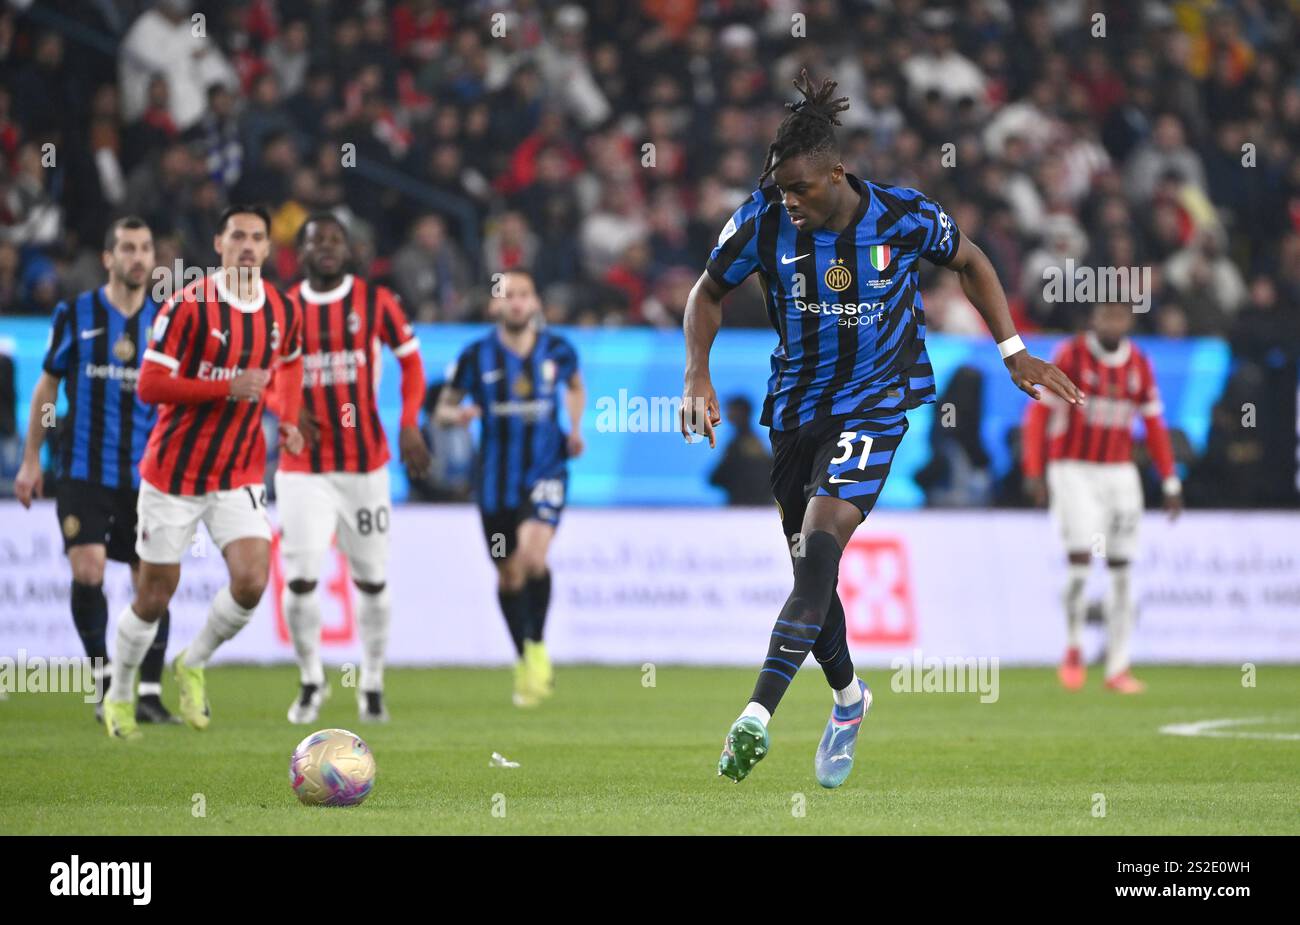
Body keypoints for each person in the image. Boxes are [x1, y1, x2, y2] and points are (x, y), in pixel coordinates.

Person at [681, 71, 1082, 787]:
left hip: (875, 405)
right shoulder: (761, 220)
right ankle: (848, 698)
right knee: (812, 571)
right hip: (796, 409)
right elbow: (708, 290)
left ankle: (756, 715)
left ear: (836, 171)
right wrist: (696, 374)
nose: (791, 202)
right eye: (782, 190)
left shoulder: (900, 213)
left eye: (801, 189)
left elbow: (970, 259)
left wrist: (1012, 350)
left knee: (820, 549)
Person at [100, 204, 304, 740]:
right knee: (154, 594)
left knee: (253, 581)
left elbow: (286, 368)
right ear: (218, 243)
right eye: (237, 235)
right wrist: (226, 386)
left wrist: (288, 419)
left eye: (257, 238)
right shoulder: (188, 305)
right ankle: (119, 693)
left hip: (237, 472)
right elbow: (149, 385)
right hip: (173, 474)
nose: (247, 246)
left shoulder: (282, 310)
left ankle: (193, 660)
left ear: (266, 248)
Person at [14, 216, 178, 724]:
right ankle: (104, 679)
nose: (136, 257)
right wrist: (30, 459)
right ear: (108, 257)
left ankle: (148, 692)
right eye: (126, 247)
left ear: (153, 259)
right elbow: (47, 389)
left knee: (150, 584)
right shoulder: (76, 313)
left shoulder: (166, 321)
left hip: (146, 476)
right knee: (88, 570)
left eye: (145, 248)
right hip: (83, 470)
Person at [270, 213, 431, 724]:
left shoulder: (376, 302)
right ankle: (311, 679)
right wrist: (287, 409)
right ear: (300, 251)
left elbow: (411, 363)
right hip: (303, 467)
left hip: (365, 466)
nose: (327, 248)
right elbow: (265, 376)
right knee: (300, 578)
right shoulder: (284, 308)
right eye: (316, 240)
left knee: (373, 579)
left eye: (335, 240)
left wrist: (409, 422)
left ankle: (374, 682)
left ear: (348, 248)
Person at [436, 270, 585, 707]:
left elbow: (575, 386)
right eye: (508, 296)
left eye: (524, 295)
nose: (516, 303)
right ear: (495, 306)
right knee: (508, 572)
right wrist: (457, 416)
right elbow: (443, 407)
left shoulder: (558, 349)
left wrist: (574, 427)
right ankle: (523, 655)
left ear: (536, 302)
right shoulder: (475, 356)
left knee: (533, 556)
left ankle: (537, 647)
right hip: (495, 484)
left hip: (546, 471)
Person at [1022, 301, 1182, 694]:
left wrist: (1170, 480)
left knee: (1123, 569)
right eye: (1106, 315)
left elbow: (1155, 424)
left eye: (1120, 315)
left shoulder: (1139, 364)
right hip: (1073, 469)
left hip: (1119, 473)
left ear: (1129, 320)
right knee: (1080, 562)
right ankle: (1074, 646)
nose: (1113, 322)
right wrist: (1033, 469)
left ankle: (1118, 666)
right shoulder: (1071, 356)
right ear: (1094, 318)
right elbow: (1039, 415)